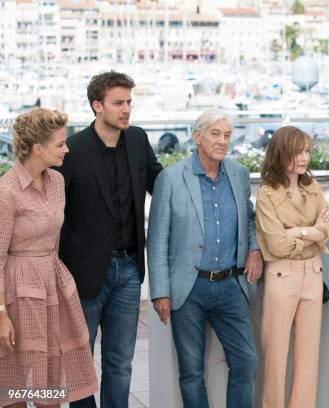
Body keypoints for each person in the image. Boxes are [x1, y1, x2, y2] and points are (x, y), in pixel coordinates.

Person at [56, 71, 162, 408]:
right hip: (82, 273)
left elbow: (162, 186)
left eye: (129, 102)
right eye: (119, 103)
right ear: (97, 106)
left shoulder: (139, 140)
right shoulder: (71, 150)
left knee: (120, 365)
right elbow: (52, 212)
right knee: (80, 364)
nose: (127, 109)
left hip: (129, 270)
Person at [147, 109, 262, 408]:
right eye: (215, 134)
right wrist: (160, 292)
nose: (222, 141)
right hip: (189, 288)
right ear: (197, 137)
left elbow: (249, 220)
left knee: (246, 362)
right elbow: (157, 239)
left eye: (227, 135)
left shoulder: (238, 174)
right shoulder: (171, 179)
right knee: (191, 371)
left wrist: (254, 248)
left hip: (231, 286)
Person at [0, 108, 98, 407]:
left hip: (53, 288)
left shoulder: (56, 182)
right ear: (38, 148)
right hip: (17, 291)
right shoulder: (6, 192)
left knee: (51, 382)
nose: (67, 149)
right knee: (15, 383)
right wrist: (1, 313)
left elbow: (54, 241)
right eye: (60, 144)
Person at [256, 126, 329, 408]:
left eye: (307, 151)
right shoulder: (267, 194)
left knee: (308, 359)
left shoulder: (312, 187)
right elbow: (276, 245)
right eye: (297, 151)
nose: (304, 158)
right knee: (274, 357)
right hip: (282, 275)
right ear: (281, 154)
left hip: (313, 275)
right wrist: (314, 232)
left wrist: (299, 233)